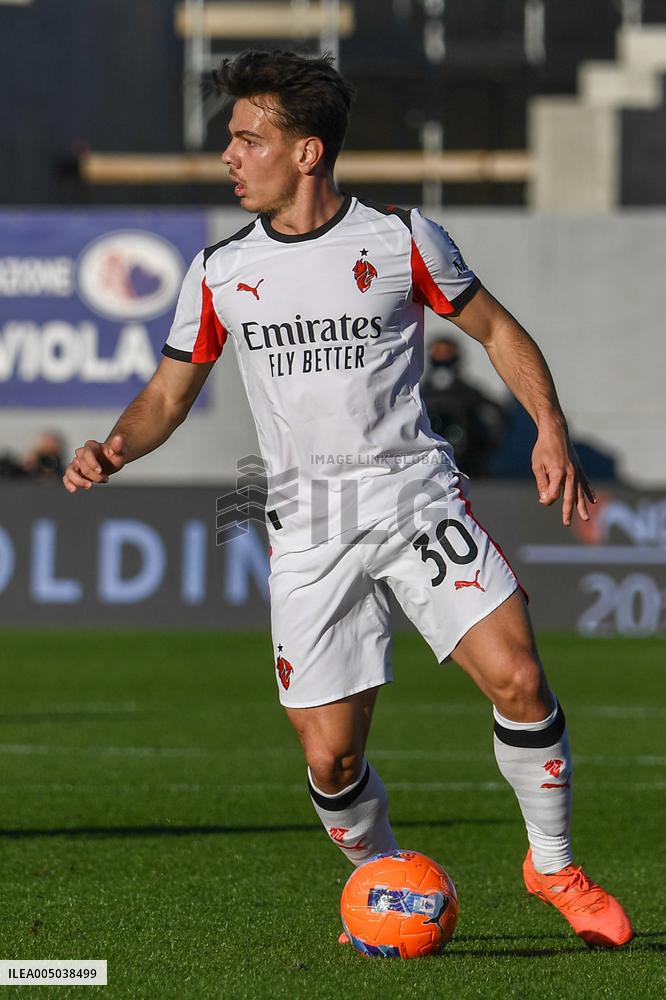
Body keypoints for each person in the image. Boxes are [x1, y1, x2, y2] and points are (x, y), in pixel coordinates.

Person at [63, 50, 632, 948]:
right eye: (231, 141)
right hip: (309, 529)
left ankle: (553, 866)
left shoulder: (401, 238)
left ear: (307, 153)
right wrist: (115, 446)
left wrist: (550, 427)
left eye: (248, 139)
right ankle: (385, 887)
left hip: (415, 501)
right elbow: (170, 393)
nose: (229, 156)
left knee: (520, 678)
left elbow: (496, 329)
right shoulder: (219, 271)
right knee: (332, 759)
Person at [420, 335, 507, 476]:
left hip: (468, 465)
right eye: (438, 353)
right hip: (427, 464)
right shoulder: (418, 392)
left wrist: (484, 447)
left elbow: (496, 415)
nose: (442, 357)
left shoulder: (468, 393)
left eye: (447, 353)